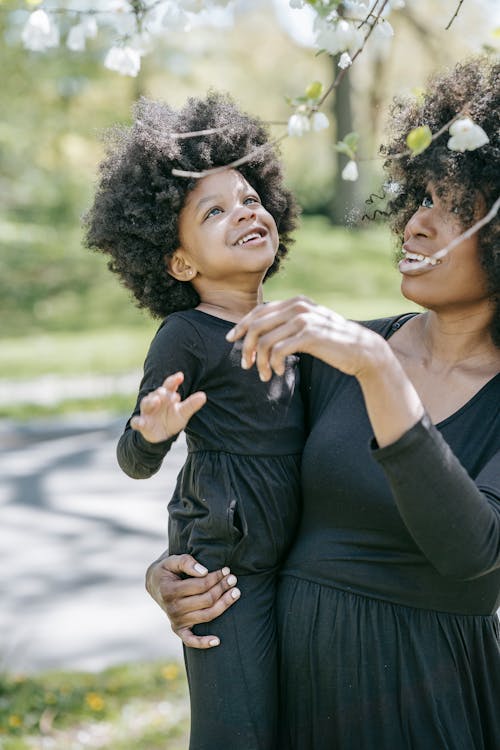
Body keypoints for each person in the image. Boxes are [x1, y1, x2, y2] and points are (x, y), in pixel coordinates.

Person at [145, 57, 500, 748]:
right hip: (296, 694)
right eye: (421, 197)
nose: (418, 225)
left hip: (431, 704)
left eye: (455, 208)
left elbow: (473, 551)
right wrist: (174, 571)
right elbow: (236, 471)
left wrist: (378, 371)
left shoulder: (355, 355)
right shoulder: (333, 354)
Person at [83, 92, 305, 749]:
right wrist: (151, 430)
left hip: (297, 558)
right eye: (214, 211)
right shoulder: (186, 336)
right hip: (223, 570)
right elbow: (134, 457)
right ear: (182, 262)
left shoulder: (296, 325)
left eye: (248, 199)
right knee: (237, 730)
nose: (243, 213)